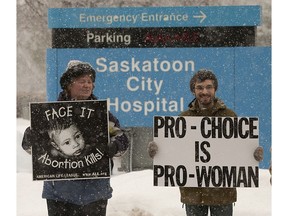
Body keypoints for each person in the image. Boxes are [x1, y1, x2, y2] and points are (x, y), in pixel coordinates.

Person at [148, 69, 263, 216]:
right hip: (193, 194)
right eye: (200, 87)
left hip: (223, 194)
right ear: (193, 90)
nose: (205, 91)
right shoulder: (184, 118)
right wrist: (158, 151)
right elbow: (175, 152)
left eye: (209, 87)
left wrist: (252, 153)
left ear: (215, 89)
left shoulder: (229, 116)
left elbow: (237, 150)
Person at [22, 60, 129, 216]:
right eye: (82, 81)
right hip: (59, 194)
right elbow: (31, 147)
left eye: (90, 81)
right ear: (68, 84)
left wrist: (115, 146)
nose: (87, 85)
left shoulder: (101, 114)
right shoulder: (49, 114)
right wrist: (30, 138)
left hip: (95, 193)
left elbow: (121, 137)